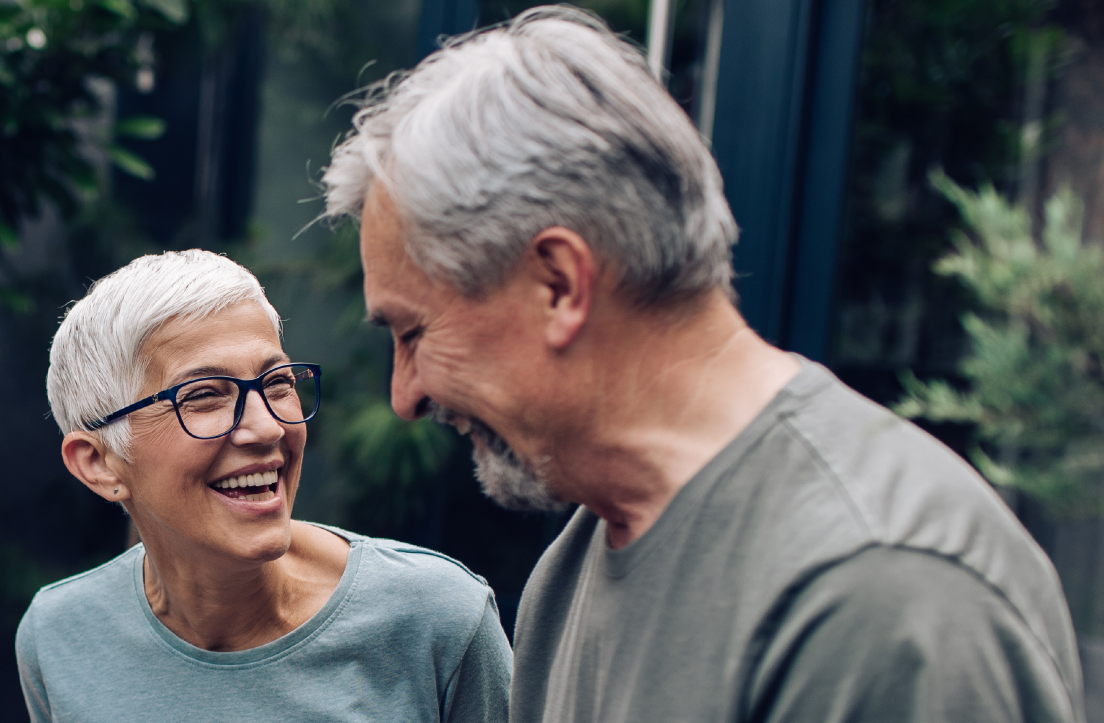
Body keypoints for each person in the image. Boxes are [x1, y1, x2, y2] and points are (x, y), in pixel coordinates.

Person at [322, 6, 1083, 723]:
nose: (404, 394)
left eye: (413, 332)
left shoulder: (883, 593)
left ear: (558, 284)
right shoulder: (578, 561)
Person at [16, 250, 511, 722]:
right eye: (205, 395)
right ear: (99, 463)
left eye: (277, 383)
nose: (268, 427)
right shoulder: (58, 635)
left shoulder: (437, 618)